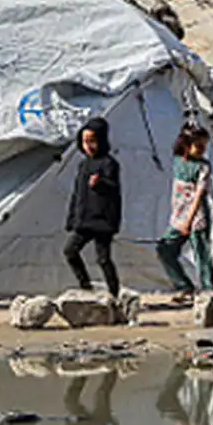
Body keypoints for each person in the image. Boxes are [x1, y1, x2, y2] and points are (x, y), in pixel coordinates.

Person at [156, 124, 213, 303]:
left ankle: (210, 293)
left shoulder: (203, 167)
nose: (202, 149)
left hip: (196, 216)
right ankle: (184, 286)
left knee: (202, 255)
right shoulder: (178, 161)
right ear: (186, 145)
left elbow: (198, 195)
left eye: (204, 145)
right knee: (165, 249)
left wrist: (188, 221)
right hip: (179, 214)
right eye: (198, 145)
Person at [63, 117, 121, 296]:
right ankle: (85, 285)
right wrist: (72, 217)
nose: (88, 146)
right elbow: (77, 193)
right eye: (85, 141)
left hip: (103, 219)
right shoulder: (83, 165)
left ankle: (114, 293)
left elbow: (114, 189)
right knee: (70, 251)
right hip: (84, 219)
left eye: (92, 141)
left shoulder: (109, 163)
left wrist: (100, 183)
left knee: (103, 259)